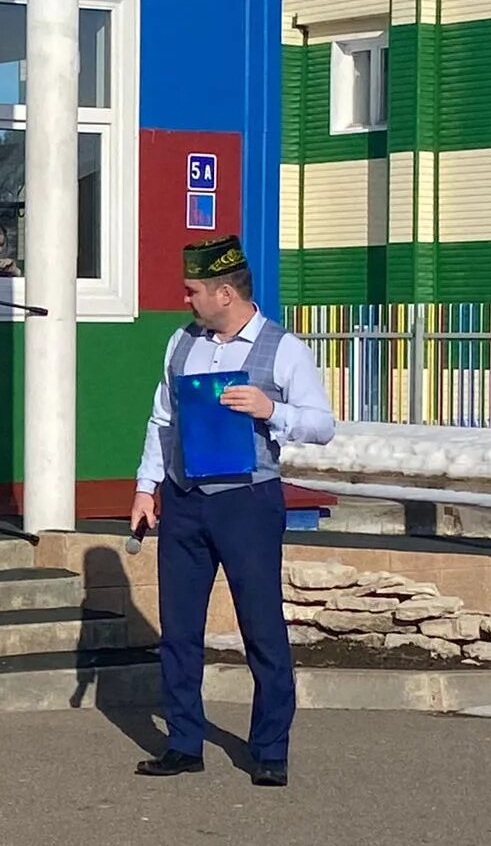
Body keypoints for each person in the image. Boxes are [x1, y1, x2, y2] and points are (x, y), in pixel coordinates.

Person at [129, 234, 335, 788]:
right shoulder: (182, 342)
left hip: (247, 503)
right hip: (186, 501)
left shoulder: (283, 347)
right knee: (179, 629)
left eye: (192, 291)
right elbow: (162, 421)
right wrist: (147, 487)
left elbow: (323, 425)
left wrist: (273, 410)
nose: (185, 300)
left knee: (261, 628)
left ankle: (269, 748)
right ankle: (183, 742)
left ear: (225, 292)